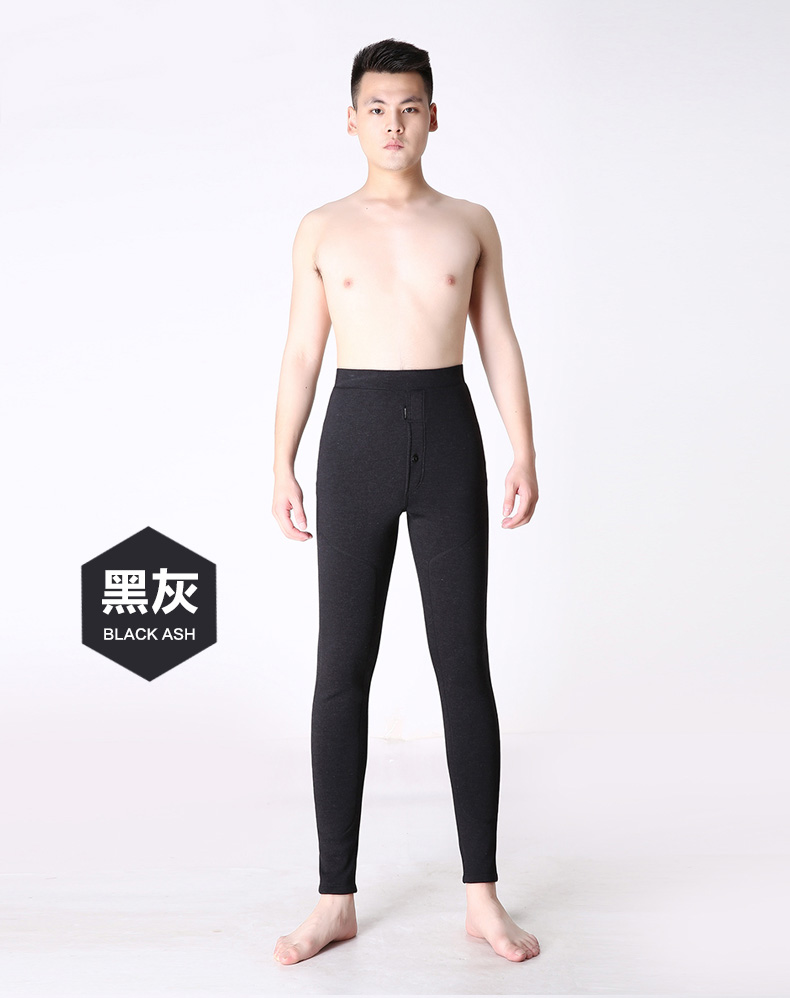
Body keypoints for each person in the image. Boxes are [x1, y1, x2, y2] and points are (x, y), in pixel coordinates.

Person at [271, 37, 540, 965]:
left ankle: (482, 897)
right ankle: (334, 898)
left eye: (410, 106)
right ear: (351, 121)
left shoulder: (471, 222)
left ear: (433, 116)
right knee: (340, 668)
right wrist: (280, 462)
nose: (394, 123)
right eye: (378, 108)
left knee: (462, 665)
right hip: (353, 442)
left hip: (449, 438)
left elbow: (498, 338)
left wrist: (524, 449)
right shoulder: (321, 227)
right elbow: (302, 352)